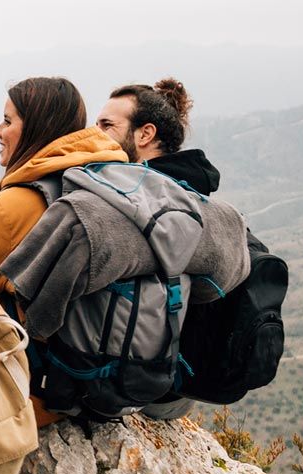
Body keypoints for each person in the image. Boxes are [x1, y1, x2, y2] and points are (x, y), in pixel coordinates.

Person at [0, 77, 128, 428]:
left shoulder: (13, 207)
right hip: (99, 381)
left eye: (7, 121)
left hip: (33, 393)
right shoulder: (107, 185)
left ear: (36, 128)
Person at [94, 78, 219, 420]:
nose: (95, 134)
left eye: (106, 126)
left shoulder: (141, 204)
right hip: (182, 390)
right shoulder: (197, 194)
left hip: (138, 390)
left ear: (145, 135)